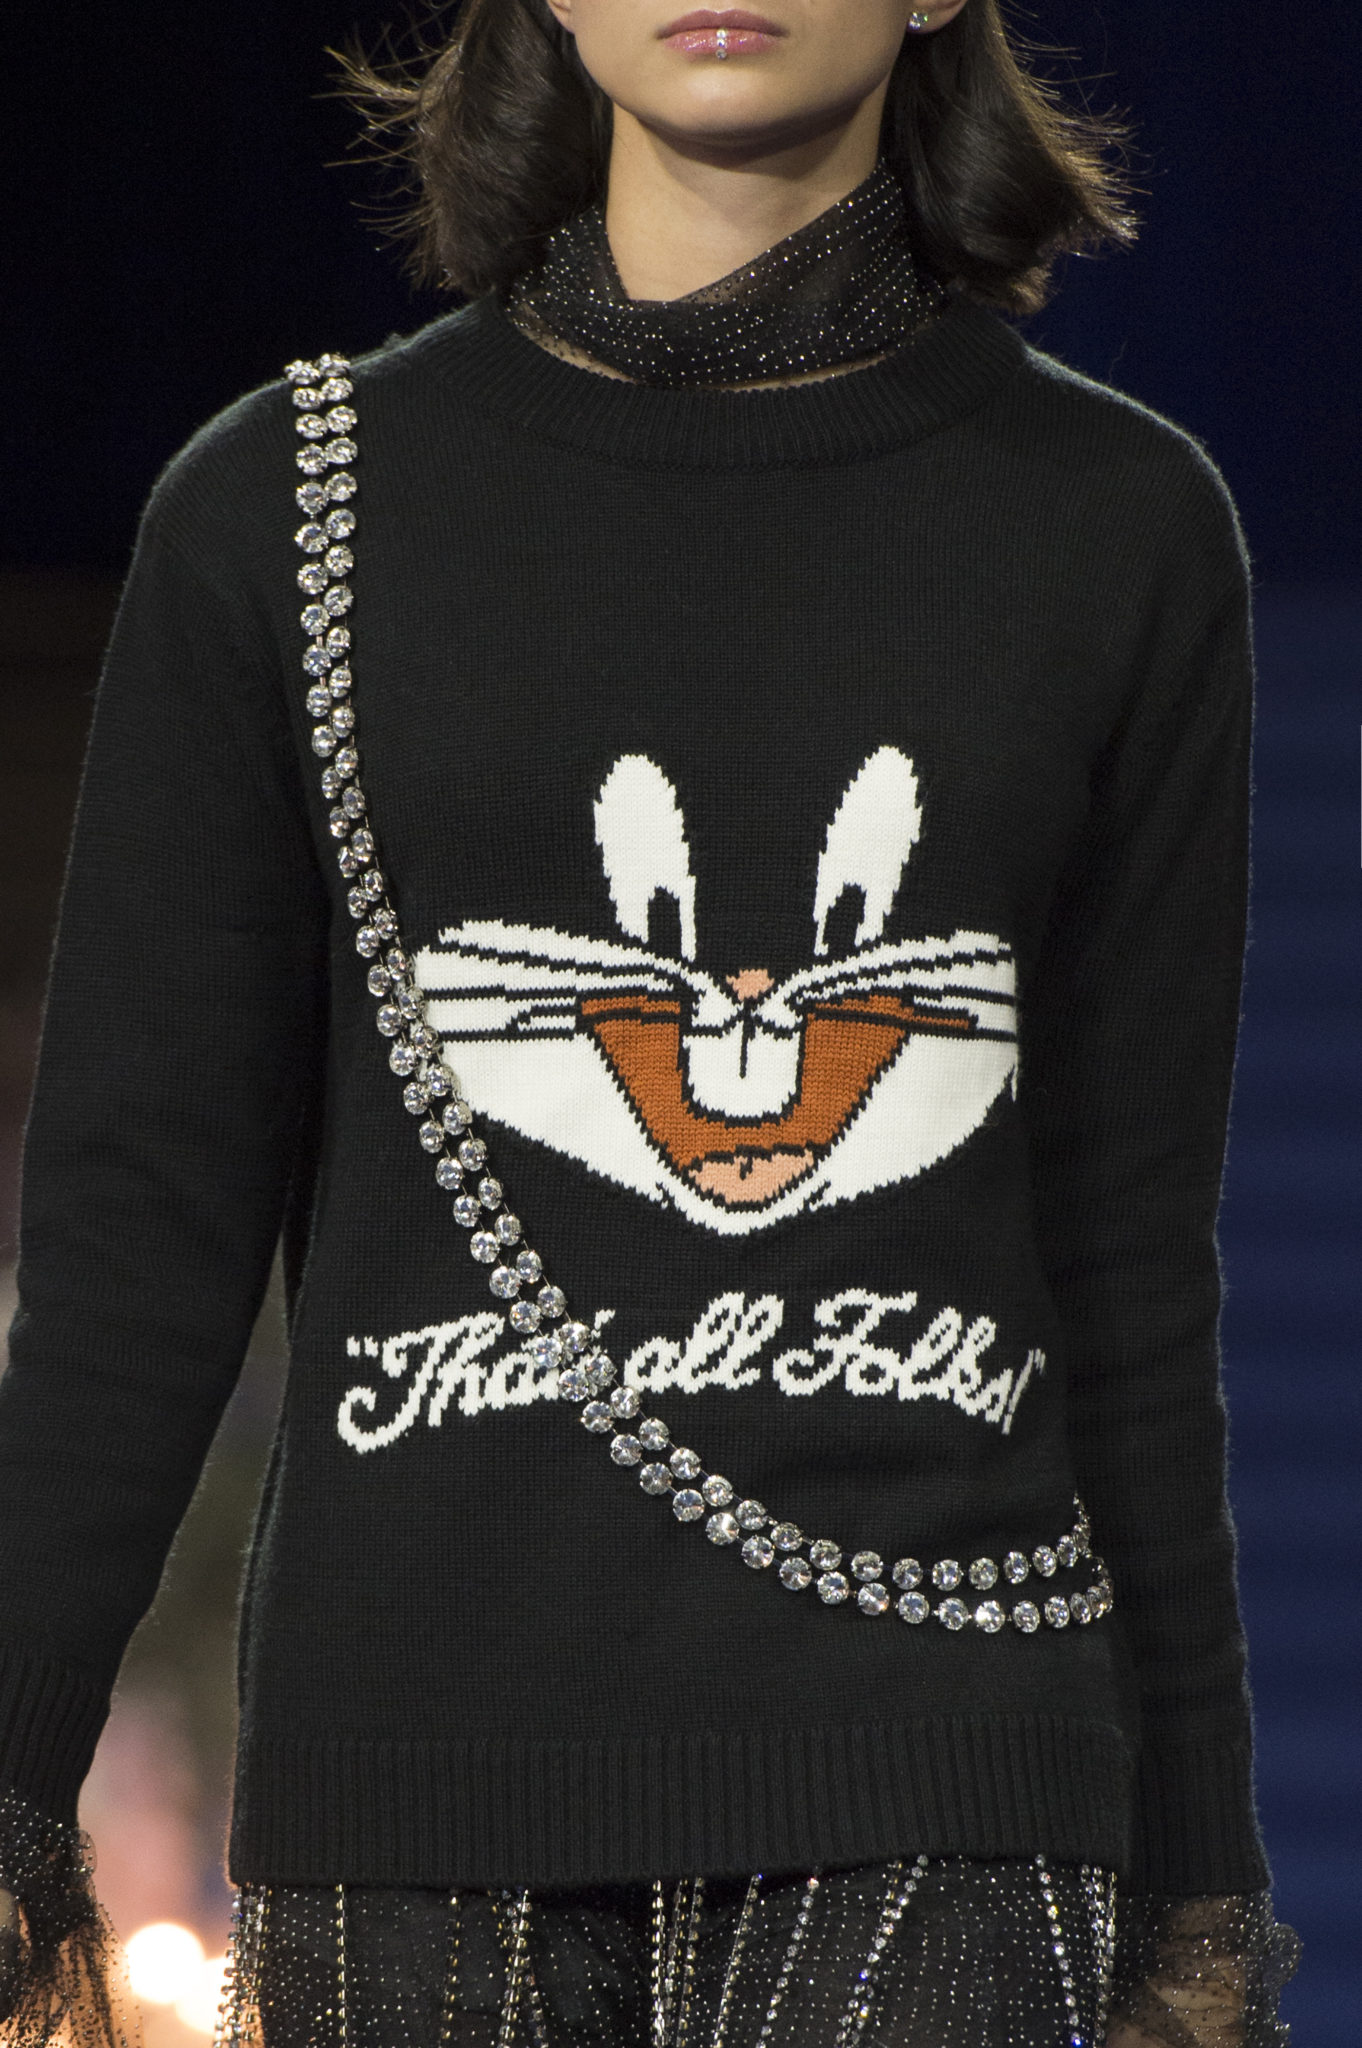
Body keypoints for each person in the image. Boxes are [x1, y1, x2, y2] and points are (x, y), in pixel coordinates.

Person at [0, 0, 1303, 2041]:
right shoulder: (290, 509)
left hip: (939, 1757)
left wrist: (1201, 1889)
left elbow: (1128, 1258)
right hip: (415, 1767)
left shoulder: (1110, 519)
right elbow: (137, 1229)